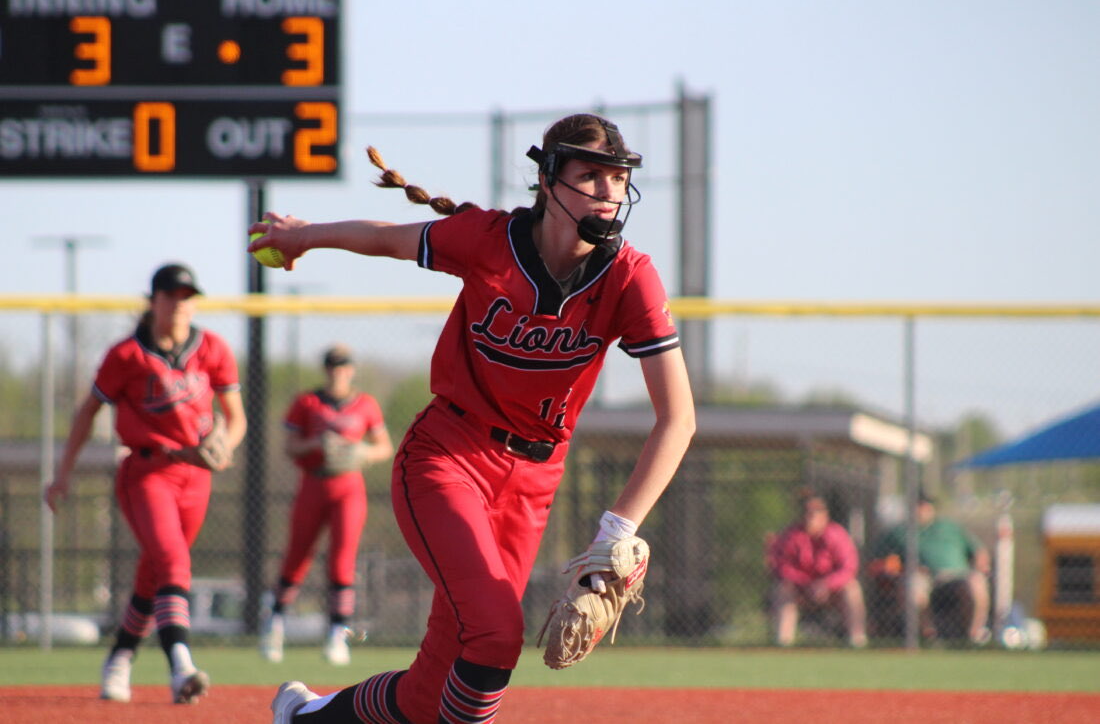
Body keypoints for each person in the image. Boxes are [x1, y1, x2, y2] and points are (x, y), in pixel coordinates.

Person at [250, 113, 696, 724]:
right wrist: (306, 235)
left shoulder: (629, 276)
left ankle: (304, 717)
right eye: (589, 175)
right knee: (492, 634)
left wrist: (617, 530)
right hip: (448, 456)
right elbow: (386, 237)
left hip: (533, 484)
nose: (607, 191)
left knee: (431, 686)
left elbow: (678, 419)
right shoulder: (490, 239)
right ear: (547, 181)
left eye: (617, 178)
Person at [44, 263, 247, 704]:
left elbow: (237, 419)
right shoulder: (127, 355)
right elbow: (86, 413)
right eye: (171, 295)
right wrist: (62, 473)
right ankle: (181, 666)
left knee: (153, 574)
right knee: (173, 561)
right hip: (146, 473)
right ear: (153, 301)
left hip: (196, 477)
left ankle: (119, 658)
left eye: (187, 295)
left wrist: (225, 444)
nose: (179, 303)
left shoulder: (212, 348)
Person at [259, 344, 394, 665]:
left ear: (352, 369)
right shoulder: (307, 402)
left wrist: (360, 451)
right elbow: (290, 446)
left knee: (342, 559)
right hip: (313, 482)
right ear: (326, 369)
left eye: (344, 365)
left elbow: (384, 447)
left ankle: (337, 634)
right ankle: (275, 623)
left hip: (348, 485)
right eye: (333, 366)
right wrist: (317, 443)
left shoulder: (365, 404)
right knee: (297, 555)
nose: (338, 371)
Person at [869, 490, 991, 644]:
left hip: (955, 577)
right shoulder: (899, 532)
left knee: (976, 582)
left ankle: (973, 636)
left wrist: (980, 567)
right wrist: (902, 569)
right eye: (917, 505)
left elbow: (979, 551)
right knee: (913, 586)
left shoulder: (949, 526)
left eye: (924, 505)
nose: (920, 509)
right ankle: (929, 637)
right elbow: (878, 561)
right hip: (922, 576)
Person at [766, 489, 867, 648]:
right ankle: (784, 641)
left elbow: (849, 568)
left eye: (817, 511)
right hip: (801, 589)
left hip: (832, 592)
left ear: (826, 514)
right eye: (807, 511)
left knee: (852, 588)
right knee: (782, 589)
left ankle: (857, 640)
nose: (811, 515)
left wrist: (826, 584)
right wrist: (806, 584)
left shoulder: (837, 534)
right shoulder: (791, 535)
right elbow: (781, 566)